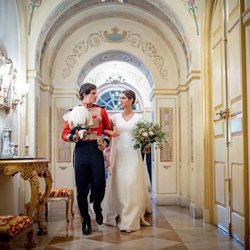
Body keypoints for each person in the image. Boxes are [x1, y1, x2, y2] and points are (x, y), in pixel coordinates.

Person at [62, 83, 112, 235]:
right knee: (81, 189)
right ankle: (85, 220)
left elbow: (108, 131)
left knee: (100, 184)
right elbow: (64, 134)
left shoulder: (101, 110)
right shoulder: (73, 112)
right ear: (84, 94)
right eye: (93, 93)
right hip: (81, 151)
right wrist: (74, 136)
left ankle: (97, 206)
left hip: (96, 150)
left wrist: (106, 142)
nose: (96, 95)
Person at [102, 89, 152, 233]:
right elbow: (104, 130)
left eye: (123, 98)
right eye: (121, 98)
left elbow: (145, 136)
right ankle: (118, 212)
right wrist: (109, 132)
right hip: (118, 156)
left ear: (131, 100)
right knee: (120, 185)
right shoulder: (115, 118)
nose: (121, 100)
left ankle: (130, 219)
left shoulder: (139, 119)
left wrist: (147, 141)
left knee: (131, 185)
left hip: (133, 155)